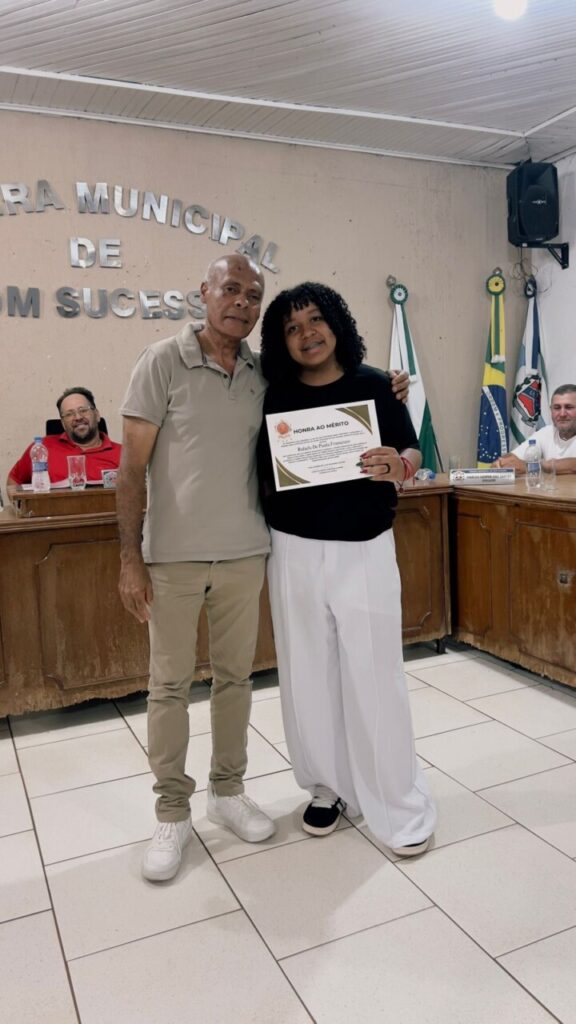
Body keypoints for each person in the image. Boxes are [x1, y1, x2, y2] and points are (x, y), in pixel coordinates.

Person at [117, 254, 410, 883]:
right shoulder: (162, 362)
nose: (242, 304)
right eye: (231, 290)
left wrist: (390, 398)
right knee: (169, 685)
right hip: (174, 556)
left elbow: (360, 413)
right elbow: (130, 468)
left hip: (250, 552)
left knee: (236, 681)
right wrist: (128, 556)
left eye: (253, 296)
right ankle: (172, 813)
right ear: (203, 292)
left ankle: (227, 792)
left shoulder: (261, 375)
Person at [257, 281, 436, 856]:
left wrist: (397, 466)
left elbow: (413, 453)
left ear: (335, 322)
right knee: (307, 670)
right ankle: (327, 787)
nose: (306, 334)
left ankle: (394, 795)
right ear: (280, 341)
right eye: (292, 327)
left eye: (314, 320)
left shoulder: (377, 385)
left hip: (364, 544)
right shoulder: (271, 391)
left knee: (374, 670)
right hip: (293, 548)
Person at [7, 387, 121, 491]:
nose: (78, 417)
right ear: (62, 423)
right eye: (69, 414)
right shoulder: (42, 448)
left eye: (83, 410)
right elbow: (14, 482)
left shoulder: (123, 453)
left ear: (96, 414)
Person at [494, 385, 576, 474]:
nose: (562, 414)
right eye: (557, 408)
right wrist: (502, 463)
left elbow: (573, 466)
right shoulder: (546, 432)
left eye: (569, 407)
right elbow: (513, 457)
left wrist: (531, 467)